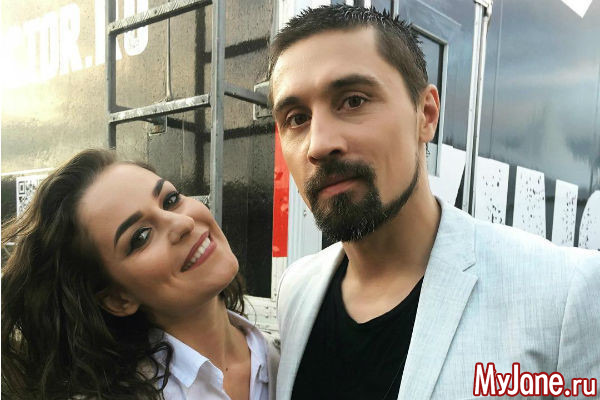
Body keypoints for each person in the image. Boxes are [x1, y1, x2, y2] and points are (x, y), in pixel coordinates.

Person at [268, 5, 600, 400]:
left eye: (353, 101)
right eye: (296, 118)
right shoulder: (297, 289)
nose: (319, 144)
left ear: (426, 114)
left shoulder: (564, 293)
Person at [1, 149, 278, 400]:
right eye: (141, 236)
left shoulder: (286, 354)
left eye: (170, 200)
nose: (183, 222)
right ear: (118, 298)